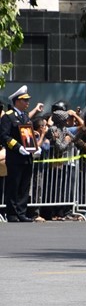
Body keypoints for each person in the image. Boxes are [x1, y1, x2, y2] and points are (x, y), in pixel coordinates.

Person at [0, 86, 43, 222]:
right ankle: (12, 214)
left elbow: (28, 135)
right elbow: (4, 136)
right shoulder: (8, 116)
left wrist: (35, 147)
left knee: (24, 186)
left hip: (27, 157)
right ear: (17, 101)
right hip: (15, 157)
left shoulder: (25, 117)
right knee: (14, 185)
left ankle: (21, 212)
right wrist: (18, 147)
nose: (27, 103)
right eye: (25, 100)